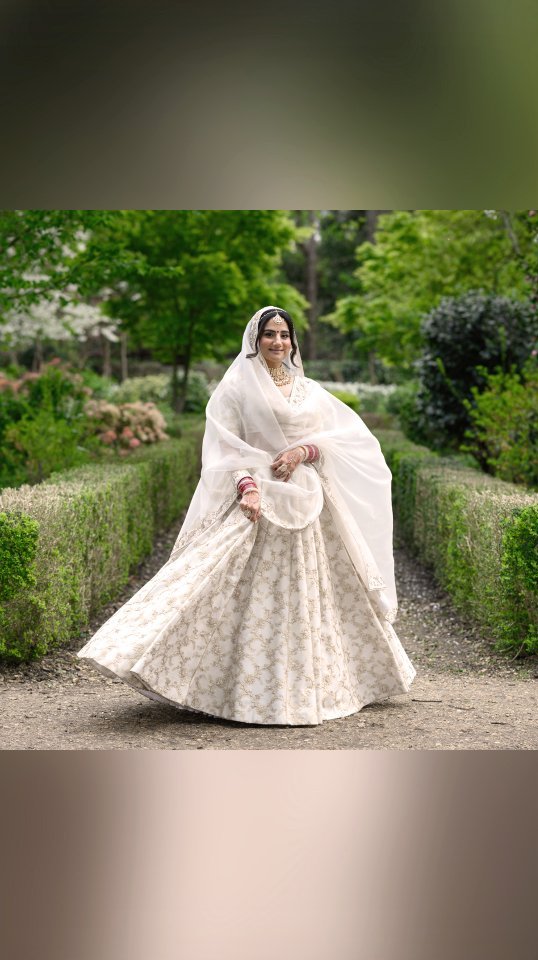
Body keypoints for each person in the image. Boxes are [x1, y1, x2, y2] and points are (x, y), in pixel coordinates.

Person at [77, 306, 416, 725]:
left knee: (318, 596)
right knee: (214, 587)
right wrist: (247, 486)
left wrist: (301, 452)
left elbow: (337, 438)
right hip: (258, 501)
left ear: (293, 341)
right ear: (255, 340)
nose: (278, 342)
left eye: (284, 335)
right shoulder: (236, 387)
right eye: (269, 334)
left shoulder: (308, 388)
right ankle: (228, 688)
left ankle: (327, 685)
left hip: (309, 500)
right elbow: (226, 446)